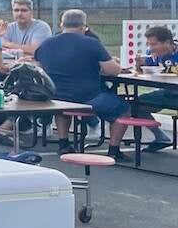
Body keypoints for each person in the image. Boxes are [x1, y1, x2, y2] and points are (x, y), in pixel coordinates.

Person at [35, 9, 141, 160]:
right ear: (84, 26)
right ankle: (114, 149)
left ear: (61, 25)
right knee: (123, 109)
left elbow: (39, 69)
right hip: (88, 98)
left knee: (62, 109)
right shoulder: (91, 43)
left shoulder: (46, 44)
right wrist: (116, 64)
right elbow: (112, 71)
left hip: (56, 97)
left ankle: (64, 144)